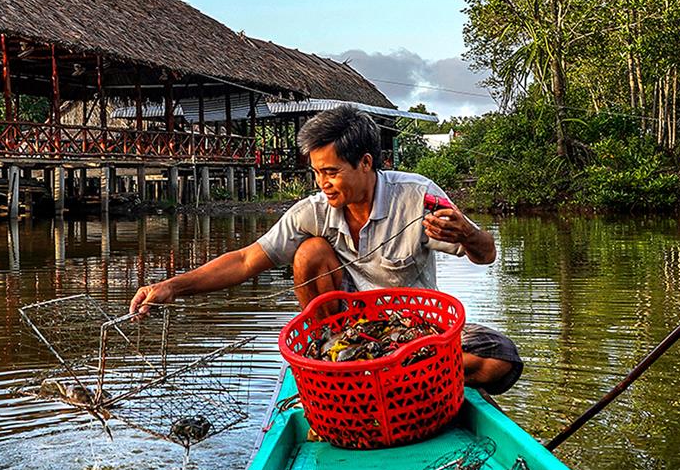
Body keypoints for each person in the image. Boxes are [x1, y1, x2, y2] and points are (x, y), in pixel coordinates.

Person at [129, 105, 524, 394]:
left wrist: (469, 233)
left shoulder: (417, 196)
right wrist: (171, 287)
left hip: (416, 333)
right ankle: (349, 366)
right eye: (317, 172)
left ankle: (392, 379)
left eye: (332, 172)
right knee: (310, 252)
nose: (323, 183)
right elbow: (247, 260)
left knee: (500, 362)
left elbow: (486, 254)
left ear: (366, 163)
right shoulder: (313, 212)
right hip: (347, 334)